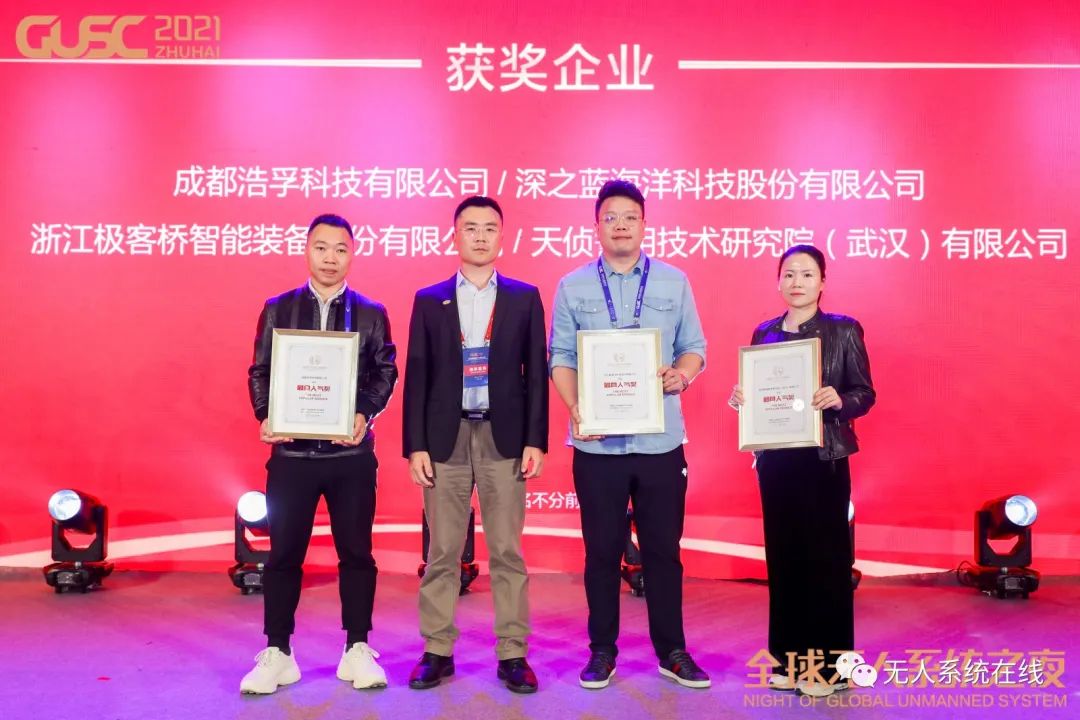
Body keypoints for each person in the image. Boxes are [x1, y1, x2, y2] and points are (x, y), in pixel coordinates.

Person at [548, 179, 710, 689]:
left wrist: (681, 375)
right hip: (597, 445)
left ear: (644, 224)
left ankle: (673, 651)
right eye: (610, 217)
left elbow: (695, 347)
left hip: (660, 442)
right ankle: (602, 652)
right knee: (601, 552)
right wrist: (576, 407)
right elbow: (561, 356)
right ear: (596, 226)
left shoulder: (673, 281)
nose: (620, 225)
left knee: (663, 551)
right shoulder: (573, 285)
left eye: (630, 217)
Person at [240, 213, 398, 694]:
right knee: (284, 555)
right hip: (292, 457)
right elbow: (260, 370)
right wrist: (267, 414)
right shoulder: (278, 309)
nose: (331, 258)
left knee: (357, 554)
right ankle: (278, 652)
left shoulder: (371, 312)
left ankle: (357, 648)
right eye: (322, 247)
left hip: (350, 457)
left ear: (353, 254)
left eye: (341, 249)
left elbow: (385, 372)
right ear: (307, 250)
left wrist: (363, 413)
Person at [402, 196, 548, 694]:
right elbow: (417, 375)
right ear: (455, 236)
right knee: (442, 550)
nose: (481, 236)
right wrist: (415, 445)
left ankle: (513, 652)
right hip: (445, 438)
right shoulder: (429, 299)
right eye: (471, 228)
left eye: (490, 228)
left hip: (503, 438)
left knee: (507, 550)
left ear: (502, 237)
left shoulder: (524, 298)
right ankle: (437, 650)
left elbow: (537, 375)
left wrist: (535, 440)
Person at [728, 243, 875, 698]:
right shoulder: (765, 333)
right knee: (784, 559)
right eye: (789, 274)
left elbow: (865, 393)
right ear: (778, 281)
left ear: (822, 282)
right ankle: (789, 661)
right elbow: (759, 392)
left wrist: (840, 400)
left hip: (824, 459)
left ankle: (830, 670)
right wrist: (742, 399)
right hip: (776, 461)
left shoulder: (843, 330)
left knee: (827, 563)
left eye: (807, 274)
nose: (797, 282)